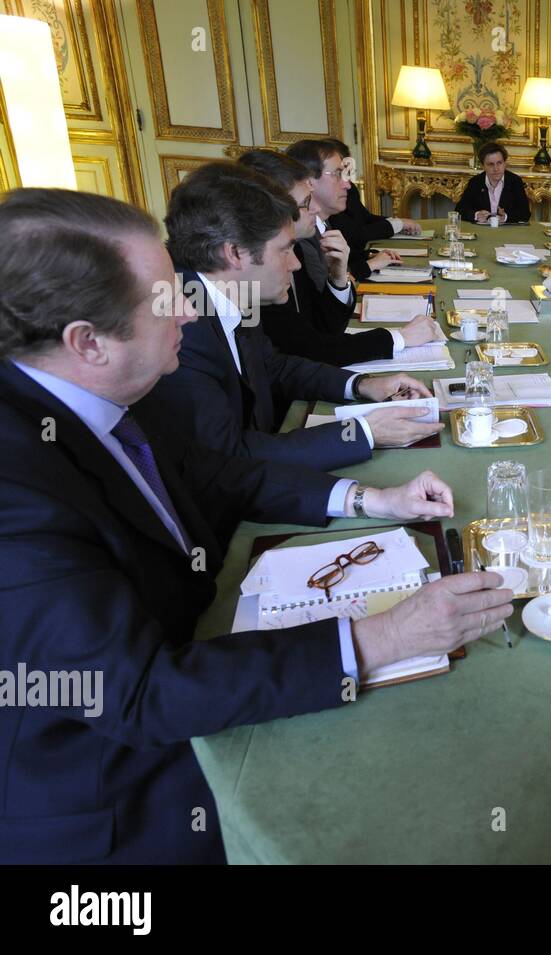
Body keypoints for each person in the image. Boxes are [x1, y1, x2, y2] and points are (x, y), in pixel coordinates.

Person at [0, 188, 515, 863]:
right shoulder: (16, 492)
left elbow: (220, 473)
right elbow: (142, 694)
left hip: (203, 642)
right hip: (116, 796)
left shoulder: (107, 387)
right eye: (163, 296)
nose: (187, 304)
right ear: (86, 343)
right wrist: (388, 634)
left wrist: (372, 500)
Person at [135, 161, 441, 472]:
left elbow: (273, 365)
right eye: (284, 250)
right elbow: (228, 457)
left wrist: (362, 384)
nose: (295, 264)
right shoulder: (179, 326)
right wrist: (361, 432)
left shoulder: (224, 290)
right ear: (235, 253)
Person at [237, 148, 439, 366]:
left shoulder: (297, 251)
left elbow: (324, 329)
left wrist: (338, 278)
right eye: (306, 202)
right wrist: (398, 338)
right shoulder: (255, 273)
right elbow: (311, 349)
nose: (315, 208)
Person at [285, 138, 402, 287]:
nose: (347, 184)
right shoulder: (302, 237)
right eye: (337, 174)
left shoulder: (325, 222)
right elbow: (323, 303)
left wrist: (369, 257)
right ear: (308, 181)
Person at [317, 137, 421, 280]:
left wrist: (370, 254)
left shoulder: (348, 189)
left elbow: (364, 218)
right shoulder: (326, 209)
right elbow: (356, 237)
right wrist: (371, 263)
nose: (346, 182)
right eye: (338, 173)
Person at [453, 142, 531, 225]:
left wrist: (506, 217)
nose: (496, 168)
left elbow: (525, 213)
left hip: (507, 232)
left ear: (505, 163)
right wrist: (476, 215)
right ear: (483, 166)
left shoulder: (515, 181)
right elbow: (459, 210)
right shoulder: (476, 182)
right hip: (482, 231)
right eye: (491, 164)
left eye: (499, 163)